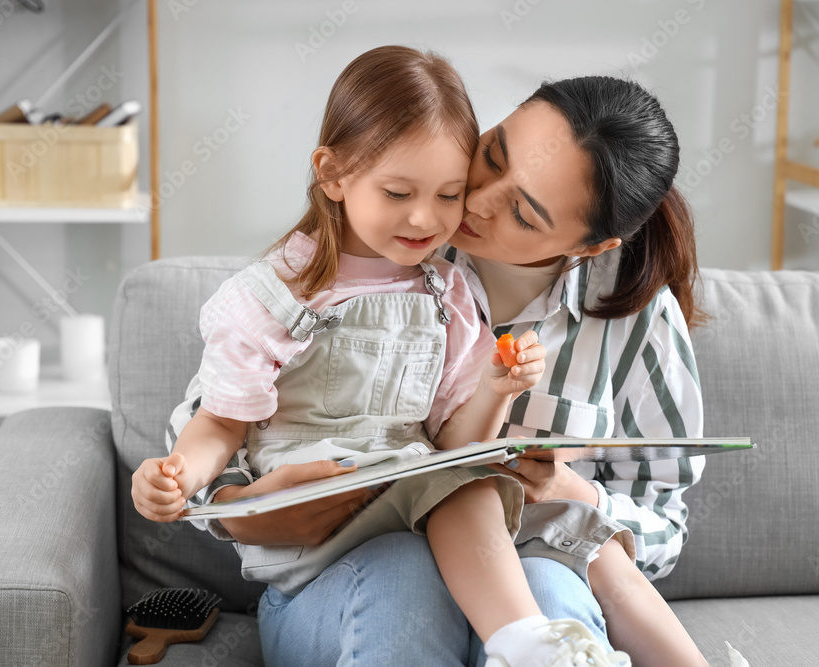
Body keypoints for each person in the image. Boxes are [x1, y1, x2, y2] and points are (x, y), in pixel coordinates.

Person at [131, 46, 645, 667]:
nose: (429, 218)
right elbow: (219, 420)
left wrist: (496, 388)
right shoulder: (271, 296)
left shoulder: (447, 291)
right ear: (332, 174)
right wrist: (181, 476)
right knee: (420, 546)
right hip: (311, 541)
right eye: (399, 192)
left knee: (473, 483)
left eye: (449, 194)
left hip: (410, 507)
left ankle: (524, 640)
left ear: (591, 245)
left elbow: (458, 444)